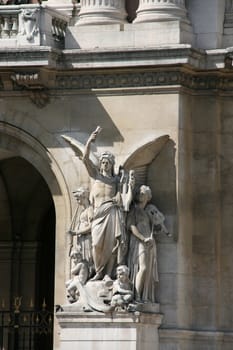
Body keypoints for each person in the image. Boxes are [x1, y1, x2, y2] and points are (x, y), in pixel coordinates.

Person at [82, 127, 126, 281]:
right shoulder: (96, 176)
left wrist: (120, 194)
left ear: (111, 164)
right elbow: (85, 159)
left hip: (112, 211)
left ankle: (107, 273)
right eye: (103, 162)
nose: (105, 164)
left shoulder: (115, 180)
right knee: (96, 244)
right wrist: (89, 142)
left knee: (112, 244)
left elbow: (122, 195)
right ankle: (98, 270)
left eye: (107, 162)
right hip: (98, 214)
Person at [127, 185, 158, 303]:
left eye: (143, 193)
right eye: (139, 192)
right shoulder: (134, 210)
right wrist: (142, 238)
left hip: (149, 243)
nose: (140, 194)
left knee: (148, 270)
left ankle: (144, 296)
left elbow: (151, 228)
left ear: (148, 197)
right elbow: (131, 226)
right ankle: (137, 296)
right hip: (139, 241)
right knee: (143, 267)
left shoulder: (146, 213)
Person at [70, 187, 94, 268]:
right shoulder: (83, 211)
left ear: (84, 197)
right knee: (82, 258)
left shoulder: (90, 210)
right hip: (81, 238)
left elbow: (91, 226)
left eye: (78, 198)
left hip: (87, 238)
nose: (77, 201)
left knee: (87, 258)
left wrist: (77, 232)